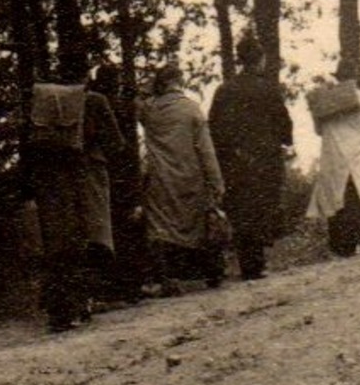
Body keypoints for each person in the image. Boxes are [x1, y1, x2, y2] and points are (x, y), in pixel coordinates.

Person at [25, 63, 124, 332]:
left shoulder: (44, 102)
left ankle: (58, 309)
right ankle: (80, 304)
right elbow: (117, 143)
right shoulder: (94, 100)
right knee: (89, 239)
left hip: (52, 183)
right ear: (84, 77)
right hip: (87, 176)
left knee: (59, 242)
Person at [207, 34, 293, 281]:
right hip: (265, 160)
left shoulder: (224, 90)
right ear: (260, 60)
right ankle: (257, 263)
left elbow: (214, 127)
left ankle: (249, 263)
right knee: (262, 207)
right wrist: (283, 140)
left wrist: (228, 152)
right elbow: (284, 124)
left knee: (241, 209)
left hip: (235, 161)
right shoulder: (268, 89)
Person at [138, 62, 227, 292]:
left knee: (162, 228)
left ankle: (167, 278)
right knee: (194, 225)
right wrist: (216, 181)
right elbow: (206, 150)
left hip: (160, 177)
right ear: (180, 82)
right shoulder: (191, 109)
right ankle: (209, 274)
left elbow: (138, 99)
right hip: (190, 177)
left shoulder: (149, 109)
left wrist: (151, 88)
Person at [308, 64, 360, 257]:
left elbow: (318, 131)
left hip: (333, 156)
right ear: (354, 78)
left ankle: (343, 246)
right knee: (359, 198)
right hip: (358, 154)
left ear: (338, 79)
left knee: (337, 200)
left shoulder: (324, 102)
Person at [88, 62, 146, 304]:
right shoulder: (121, 107)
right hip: (123, 174)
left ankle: (107, 288)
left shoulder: (92, 103)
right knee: (128, 230)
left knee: (105, 230)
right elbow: (128, 147)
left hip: (100, 174)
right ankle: (130, 287)